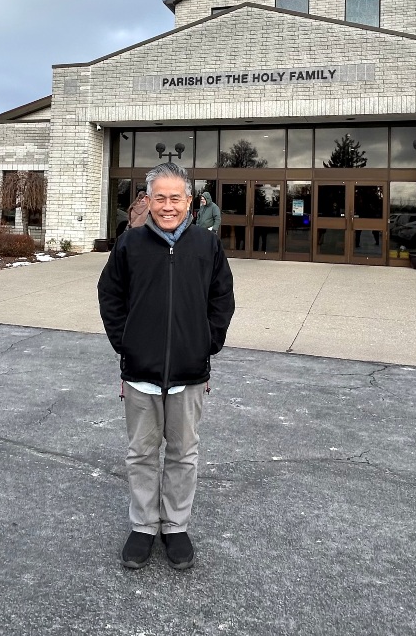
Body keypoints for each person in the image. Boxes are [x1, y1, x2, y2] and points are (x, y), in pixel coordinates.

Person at [97, 162, 235, 571]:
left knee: (183, 454)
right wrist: (127, 343)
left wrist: (207, 343)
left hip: (189, 375)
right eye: (160, 198)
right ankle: (143, 526)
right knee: (141, 453)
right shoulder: (130, 244)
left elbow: (222, 299)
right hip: (141, 374)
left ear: (190, 201)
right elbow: (110, 296)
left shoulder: (206, 246)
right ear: (149, 200)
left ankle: (175, 527)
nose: (168, 206)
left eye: (176, 198)